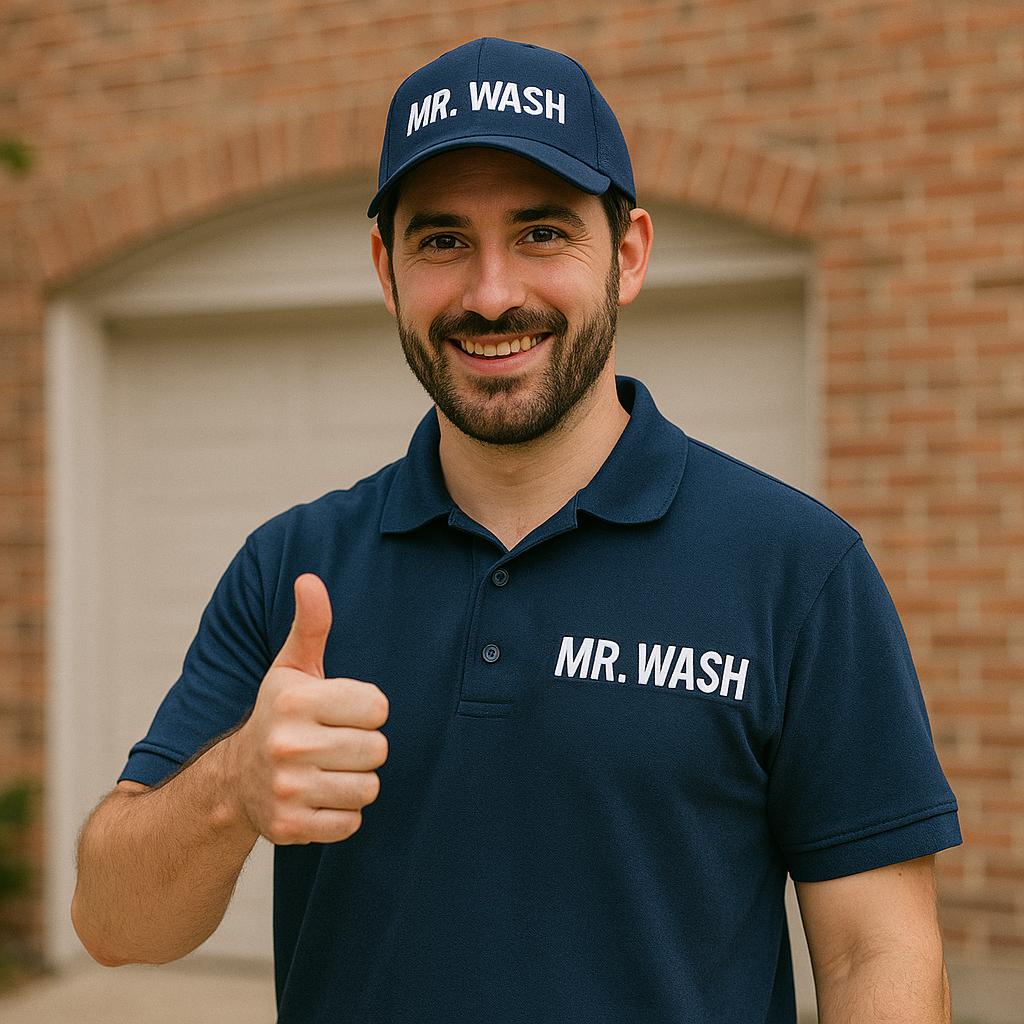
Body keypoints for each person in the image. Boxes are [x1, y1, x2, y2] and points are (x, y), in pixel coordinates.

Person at [72, 37, 961, 1023]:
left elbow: (874, 955)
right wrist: (231, 787)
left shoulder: (796, 570)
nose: (491, 293)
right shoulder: (294, 568)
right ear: (385, 268)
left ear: (627, 255)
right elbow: (115, 925)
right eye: (443, 241)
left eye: (541, 234)